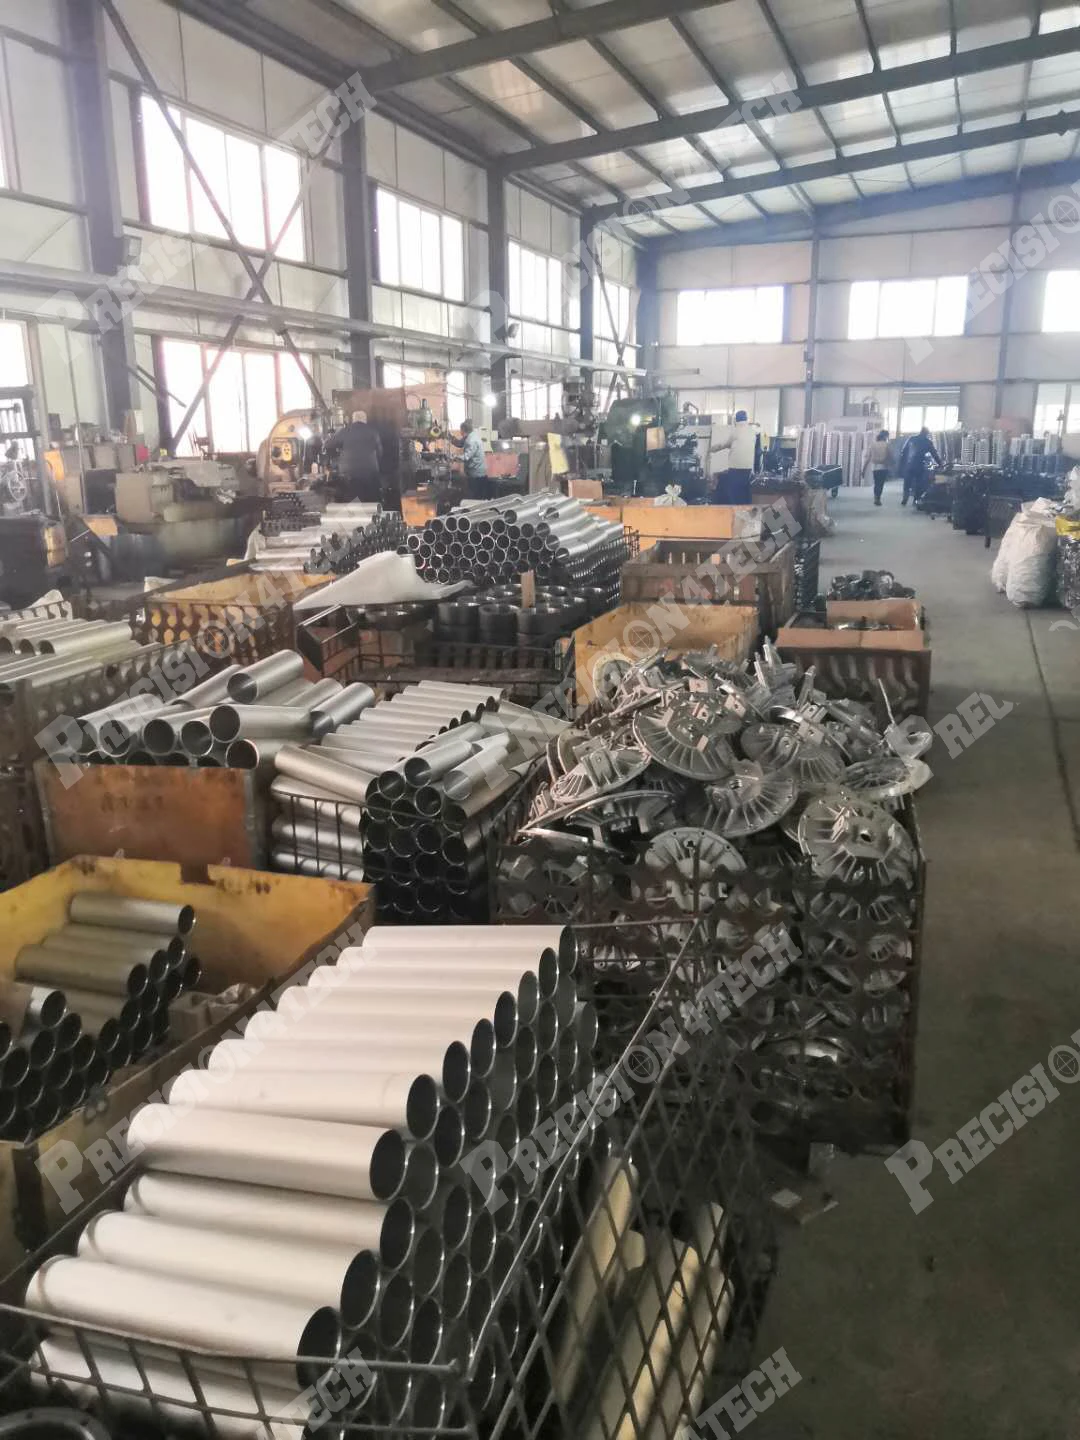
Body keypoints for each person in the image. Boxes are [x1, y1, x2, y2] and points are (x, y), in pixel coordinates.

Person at [322, 410, 383, 503]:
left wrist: (335, 459)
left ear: (353, 420)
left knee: (352, 501)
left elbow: (328, 445)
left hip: (349, 473)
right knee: (371, 500)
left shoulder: (345, 431)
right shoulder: (373, 432)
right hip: (370, 472)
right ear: (365, 420)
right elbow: (379, 452)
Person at [710, 410, 762, 504]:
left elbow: (724, 444)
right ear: (746, 419)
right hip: (748, 468)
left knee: (734, 493)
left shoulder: (735, 431)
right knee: (745, 492)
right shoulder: (752, 432)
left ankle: (735, 509)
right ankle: (745, 510)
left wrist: (712, 449)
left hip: (735, 468)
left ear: (736, 420)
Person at [899, 427, 942, 508]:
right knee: (919, 484)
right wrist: (940, 464)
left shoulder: (911, 439)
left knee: (907, 483)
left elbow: (904, 452)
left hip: (909, 465)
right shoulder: (928, 442)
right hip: (919, 465)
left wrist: (902, 464)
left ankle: (905, 498)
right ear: (926, 433)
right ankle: (916, 500)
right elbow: (934, 454)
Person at [451, 418, 490, 498]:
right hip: (476, 471)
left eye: (460, 430)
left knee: (475, 496)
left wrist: (454, 457)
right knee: (475, 494)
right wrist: (451, 437)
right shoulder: (471, 436)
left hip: (476, 473)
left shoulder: (471, 440)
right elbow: (460, 443)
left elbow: (466, 456)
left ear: (462, 430)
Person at [864, 429, 891, 507]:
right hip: (883, 467)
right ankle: (878, 498)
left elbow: (868, 458)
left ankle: (876, 497)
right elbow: (890, 456)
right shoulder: (887, 445)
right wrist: (892, 465)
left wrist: (864, 469)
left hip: (874, 467)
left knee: (876, 483)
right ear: (884, 438)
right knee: (881, 484)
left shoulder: (872, 445)